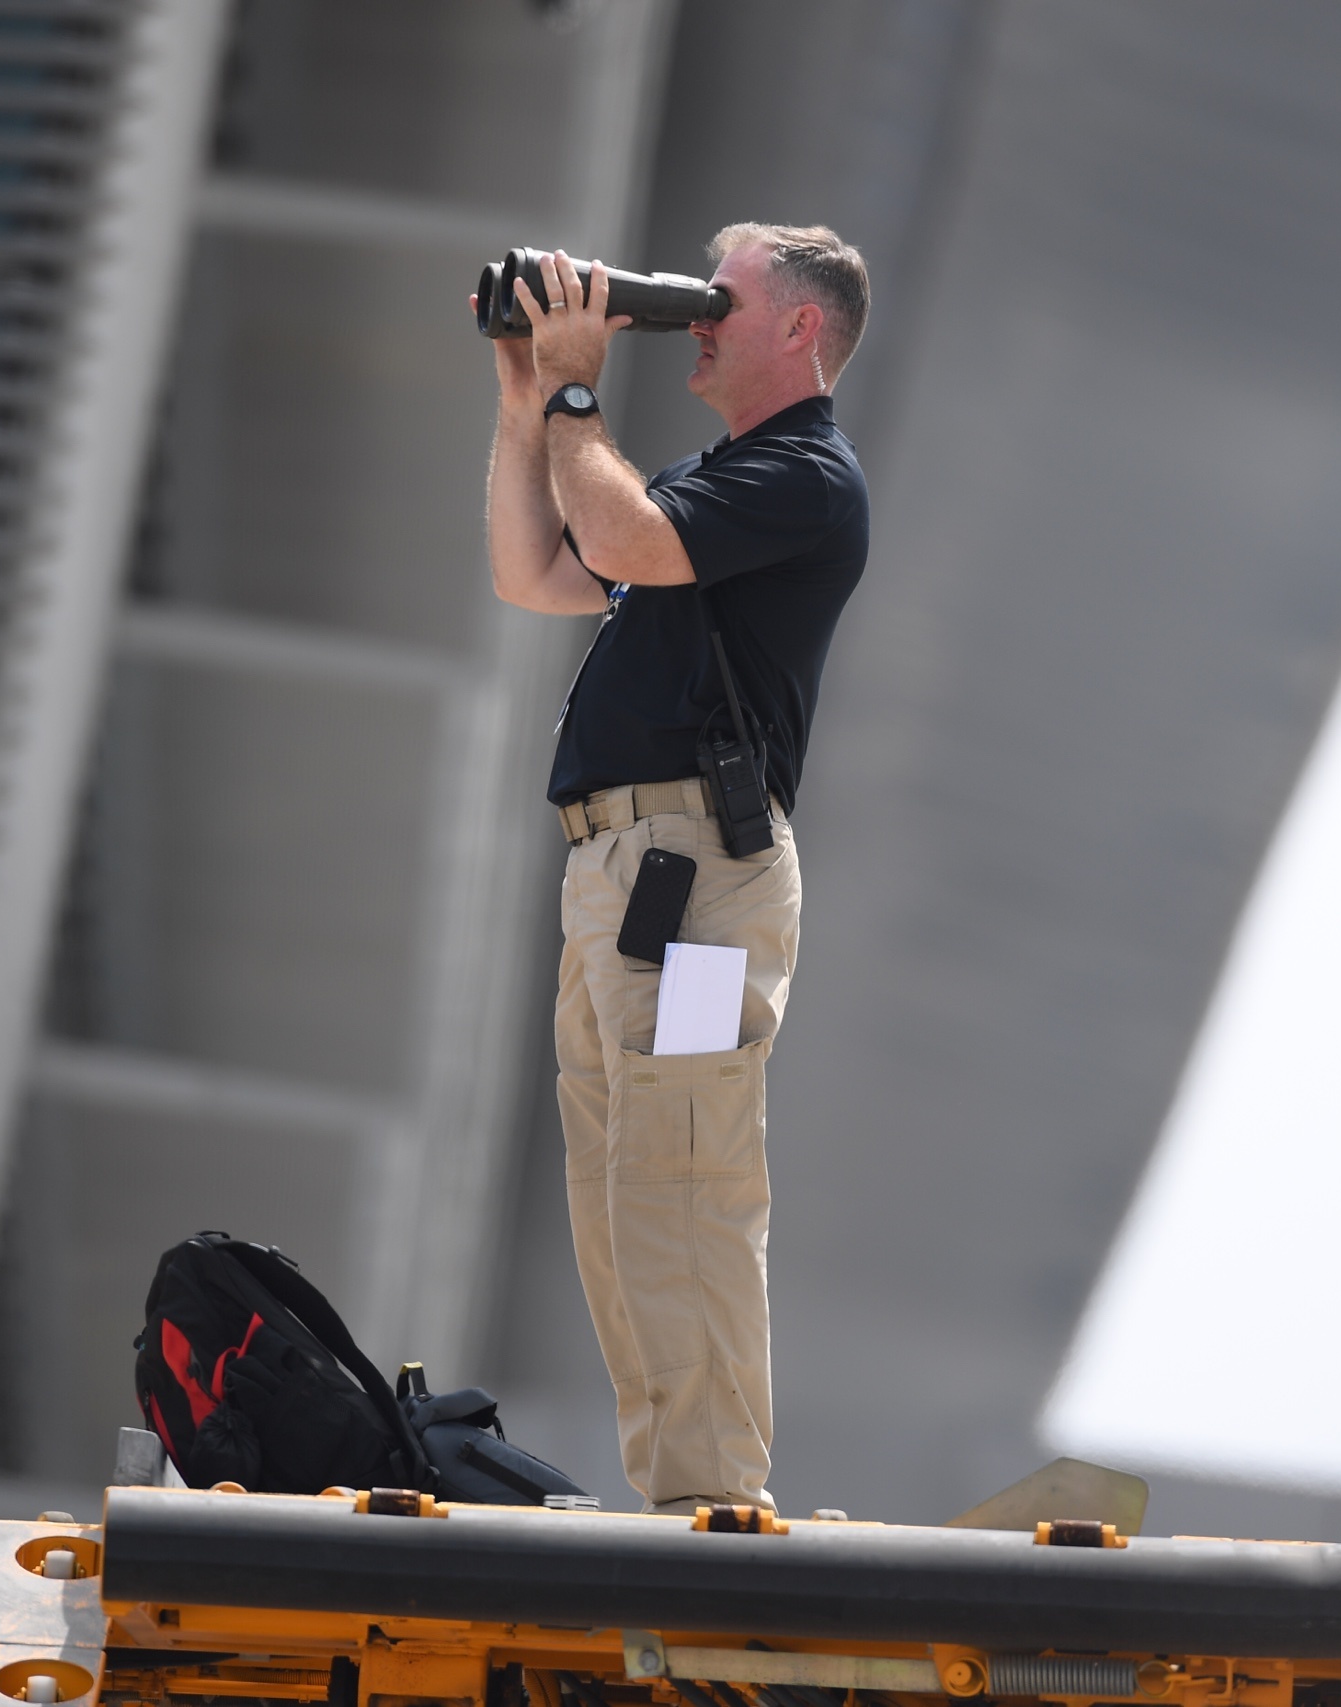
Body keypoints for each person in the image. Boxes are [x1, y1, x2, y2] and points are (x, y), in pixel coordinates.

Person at [478, 223, 871, 1514]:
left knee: (682, 1181)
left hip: (694, 890)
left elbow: (629, 544)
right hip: (631, 880)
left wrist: (585, 394)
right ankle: (681, 1495)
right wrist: (528, 396)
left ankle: (710, 1505)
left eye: (725, 299)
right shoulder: (720, 482)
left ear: (802, 329)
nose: (696, 316)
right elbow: (539, 572)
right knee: (617, 1196)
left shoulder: (804, 478)